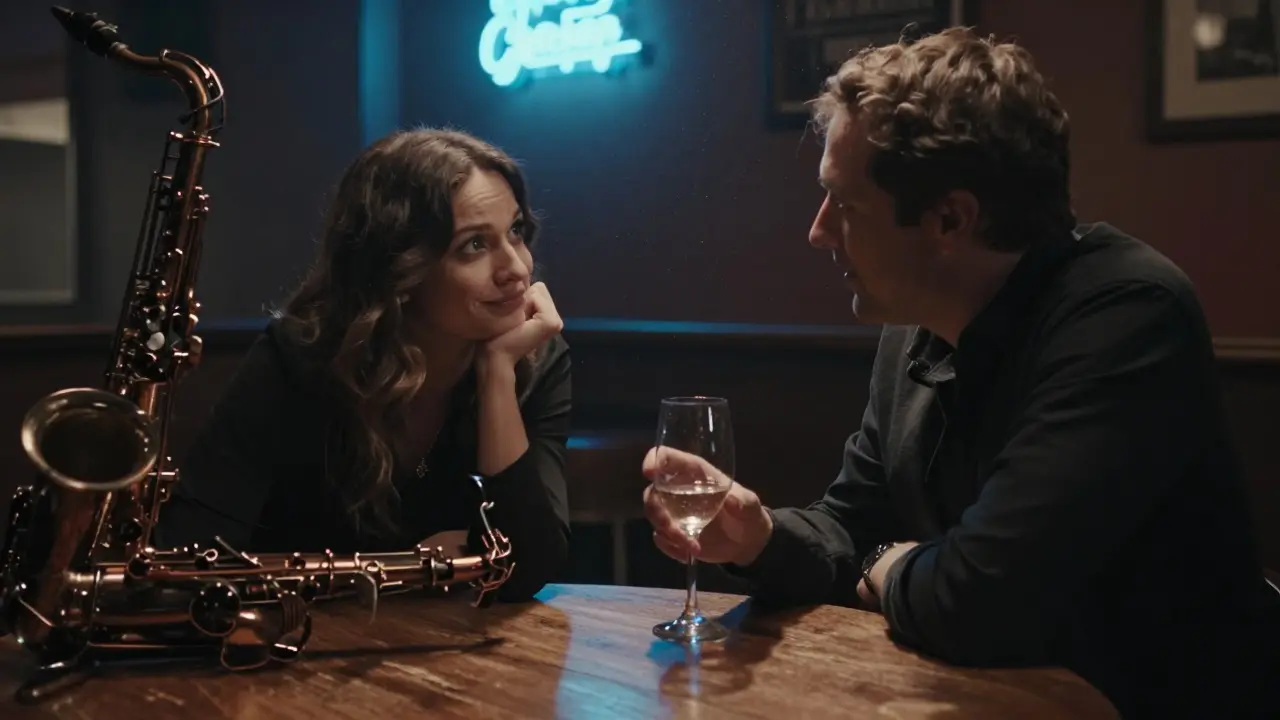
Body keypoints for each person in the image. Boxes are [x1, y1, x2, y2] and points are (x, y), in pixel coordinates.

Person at [643, 27, 1280, 717]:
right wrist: (762, 534)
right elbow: (852, 526)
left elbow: (982, 600)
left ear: (950, 219)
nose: (819, 231)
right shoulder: (913, 324)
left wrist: (886, 565)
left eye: (846, 205)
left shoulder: (1128, 314)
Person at [155, 128, 571, 603]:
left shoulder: (535, 358)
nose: (516, 267)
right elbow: (186, 556)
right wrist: (417, 565)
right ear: (402, 269)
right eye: (474, 246)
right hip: (290, 647)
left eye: (515, 231)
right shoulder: (300, 359)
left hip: (445, 657)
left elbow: (529, 566)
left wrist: (496, 373)